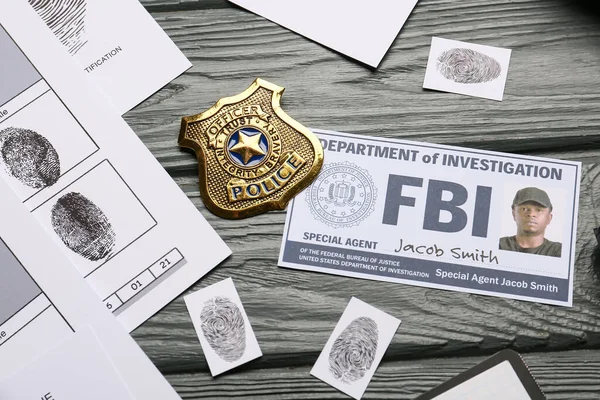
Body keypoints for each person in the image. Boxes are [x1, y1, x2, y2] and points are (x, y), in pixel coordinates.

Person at [499, 187, 561, 257]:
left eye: (539, 210)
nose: (531, 214)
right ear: (514, 214)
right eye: (524, 209)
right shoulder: (499, 245)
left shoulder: (559, 252)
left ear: (549, 218)